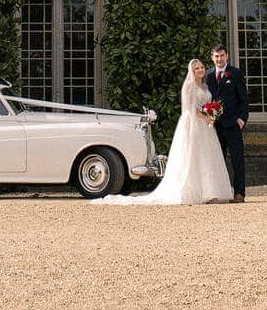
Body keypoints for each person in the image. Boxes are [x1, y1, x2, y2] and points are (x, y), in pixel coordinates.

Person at [93, 59, 232, 206]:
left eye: (202, 67)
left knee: (207, 157)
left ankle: (210, 192)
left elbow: (205, 105)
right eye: (197, 68)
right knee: (193, 156)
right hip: (193, 124)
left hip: (205, 126)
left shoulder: (204, 86)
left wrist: (211, 114)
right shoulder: (189, 86)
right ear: (192, 71)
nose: (200, 70)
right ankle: (192, 192)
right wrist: (207, 117)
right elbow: (189, 109)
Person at [205, 44, 248, 202]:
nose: (219, 59)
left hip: (233, 124)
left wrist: (241, 119)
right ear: (212, 57)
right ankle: (217, 193)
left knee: (237, 160)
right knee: (217, 160)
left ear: (227, 56)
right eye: (216, 56)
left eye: (222, 55)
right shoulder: (208, 75)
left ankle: (239, 193)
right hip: (215, 126)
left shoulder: (235, 73)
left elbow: (244, 99)